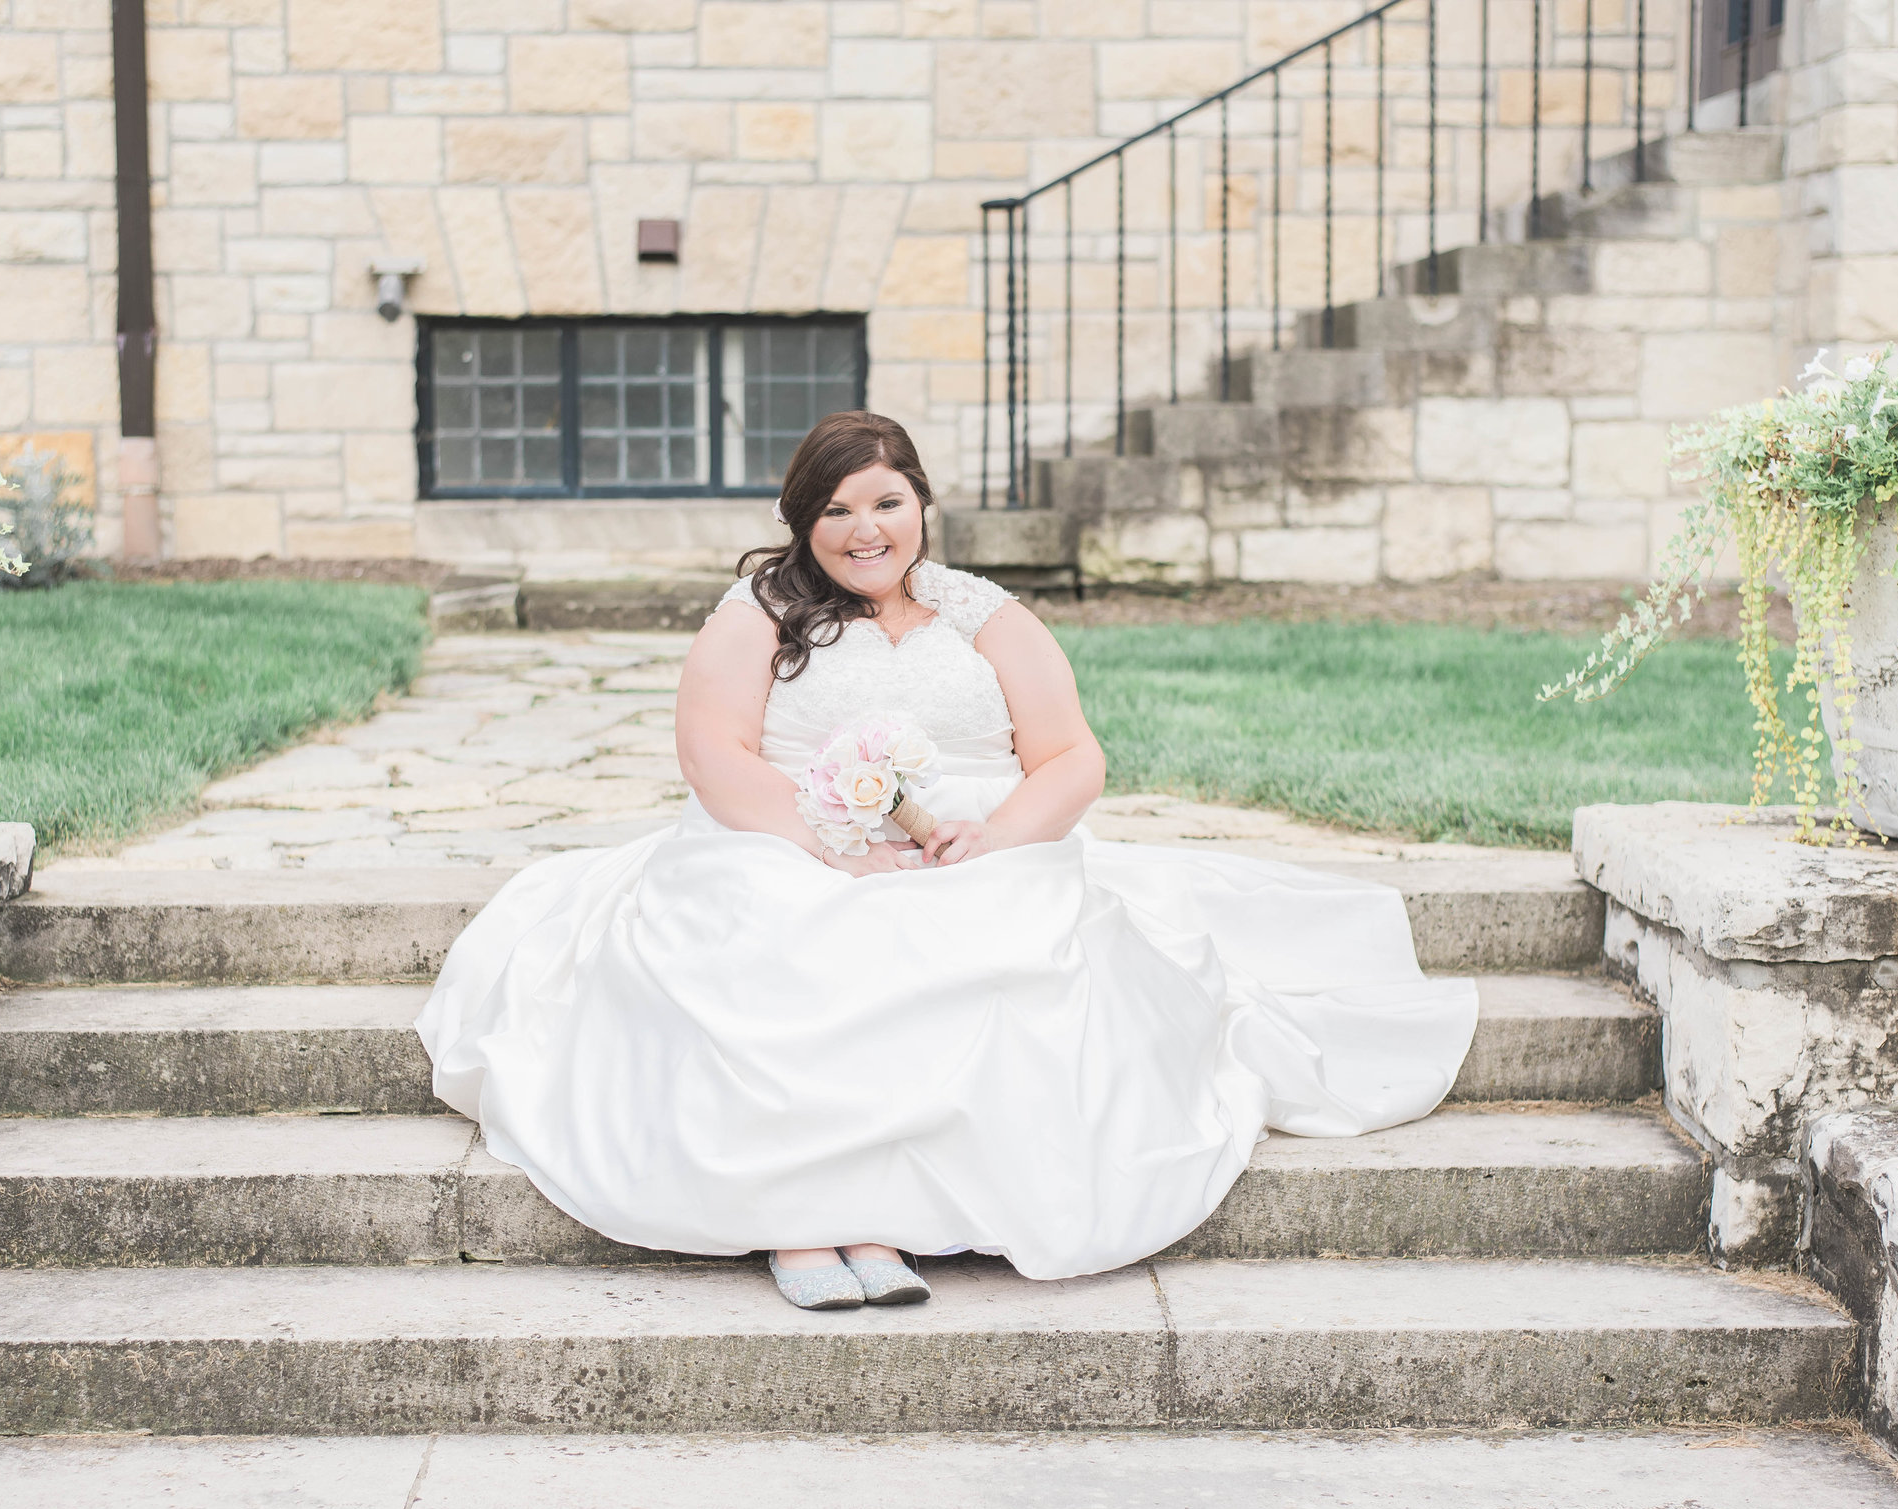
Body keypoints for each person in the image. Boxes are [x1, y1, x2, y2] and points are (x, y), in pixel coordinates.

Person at [415, 411, 1478, 1309]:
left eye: (883, 501)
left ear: (919, 502)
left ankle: (880, 1225)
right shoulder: (759, 613)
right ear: (804, 522)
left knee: (1000, 938)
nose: (862, 528)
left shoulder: (984, 614)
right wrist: (831, 851)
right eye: (834, 510)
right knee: (784, 939)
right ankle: (801, 1223)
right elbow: (713, 754)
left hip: (973, 842)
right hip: (782, 834)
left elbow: (1069, 756)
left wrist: (996, 838)